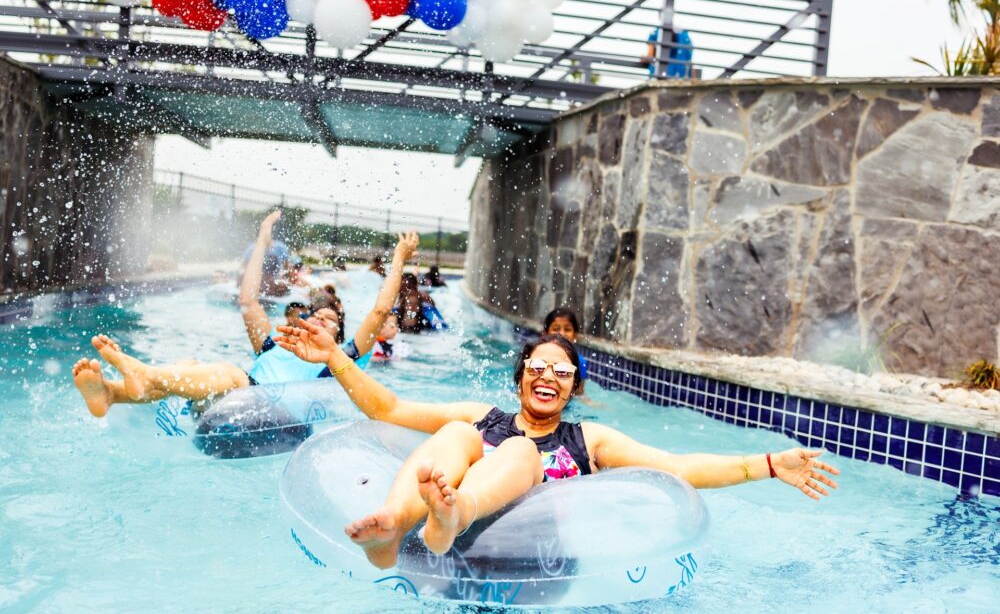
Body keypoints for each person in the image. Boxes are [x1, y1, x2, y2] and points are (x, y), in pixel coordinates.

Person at [274, 327, 841, 569]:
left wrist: (765, 464)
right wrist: (335, 357)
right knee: (453, 434)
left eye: (562, 372)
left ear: (574, 387)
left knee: (520, 453)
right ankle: (394, 526)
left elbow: (676, 468)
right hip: (444, 552)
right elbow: (388, 411)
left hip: (534, 558)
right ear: (520, 377)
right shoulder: (482, 417)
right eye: (537, 368)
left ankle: (450, 514)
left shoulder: (588, 440)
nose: (548, 377)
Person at [70, 211, 420, 417]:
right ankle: (113, 394)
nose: (318, 321)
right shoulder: (272, 346)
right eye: (315, 317)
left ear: (339, 336)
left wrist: (399, 260)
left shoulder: (344, 359)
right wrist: (261, 245)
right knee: (190, 365)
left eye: (328, 321)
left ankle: (142, 374)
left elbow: (378, 311)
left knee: (230, 374)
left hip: (269, 412)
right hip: (231, 405)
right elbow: (249, 302)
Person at [542, 307, 596, 405]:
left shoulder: (579, 362)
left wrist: (589, 403)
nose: (562, 333)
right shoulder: (538, 358)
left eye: (567, 329)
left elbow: (579, 393)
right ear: (545, 334)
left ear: (575, 335)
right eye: (556, 329)